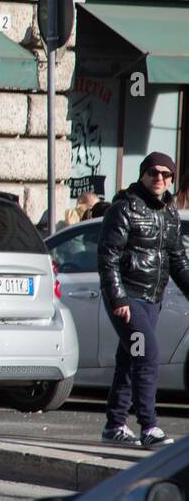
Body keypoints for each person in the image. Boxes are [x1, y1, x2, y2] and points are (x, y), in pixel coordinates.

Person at [96, 151, 189, 447]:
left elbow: (178, 261)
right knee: (146, 355)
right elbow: (107, 258)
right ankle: (149, 426)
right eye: (153, 173)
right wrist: (118, 298)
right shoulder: (123, 208)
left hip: (152, 300)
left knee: (130, 359)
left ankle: (114, 425)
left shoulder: (169, 212)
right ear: (142, 174)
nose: (159, 178)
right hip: (128, 300)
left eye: (165, 174)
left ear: (171, 178)